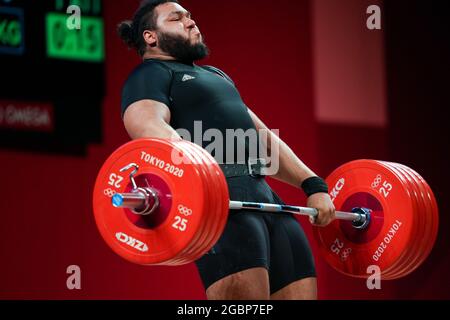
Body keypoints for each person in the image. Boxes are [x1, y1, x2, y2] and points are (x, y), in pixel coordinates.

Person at [118, 0, 336, 300]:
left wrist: (312, 183)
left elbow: (263, 139)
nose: (191, 22)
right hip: (222, 207)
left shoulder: (218, 76)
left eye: (190, 16)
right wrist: (202, 180)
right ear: (150, 36)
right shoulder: (150, 75)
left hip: (268, 202)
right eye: (177, 18)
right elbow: (146, 126)